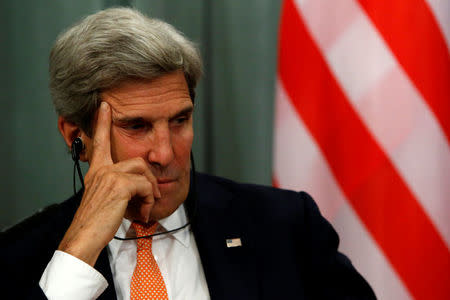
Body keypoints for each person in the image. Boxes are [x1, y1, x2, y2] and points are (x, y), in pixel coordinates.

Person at [0, 7, 376, 300]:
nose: (165, 153)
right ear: (76, 137)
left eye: (179, 120)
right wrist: (77, 254)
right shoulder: (21, 256)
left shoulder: (284, 226)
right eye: (136, 126)